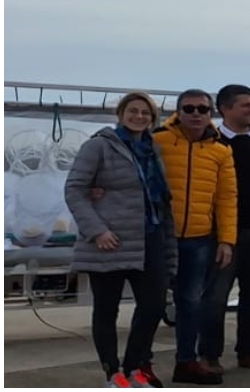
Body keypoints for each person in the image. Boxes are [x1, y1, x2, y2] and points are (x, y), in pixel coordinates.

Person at [64, 92, 175, 389]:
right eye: (133, 111)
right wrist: (96, 230)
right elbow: (75, 189)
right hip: (110, 238)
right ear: (121, 113)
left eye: (145, 113)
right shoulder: (99, 146)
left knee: (152, 306)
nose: (139, 117)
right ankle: (112, 373)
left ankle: (134, 367)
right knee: (106, 308)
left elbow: (158, 197)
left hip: (150, 235)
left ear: (153, 118)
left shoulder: (152, 149)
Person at [151, 89, 237, 385]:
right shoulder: (157, 141)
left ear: (212, 113)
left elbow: (227, 198)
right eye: (189, 109)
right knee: (151, 302)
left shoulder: (221, 150)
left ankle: (186, 362)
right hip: (161, 238)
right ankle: (140, 364)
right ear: (178, 111)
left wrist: (226, 240)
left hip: (200, 239)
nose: (196, 114)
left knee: (190, 302)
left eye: (203, 109)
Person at [204, 84, 250, 373]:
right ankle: (210, 355)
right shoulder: (210, 142)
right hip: (220, 235)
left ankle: (249, 351)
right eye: (246, 105)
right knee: (215, 298)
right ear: (225, 109)